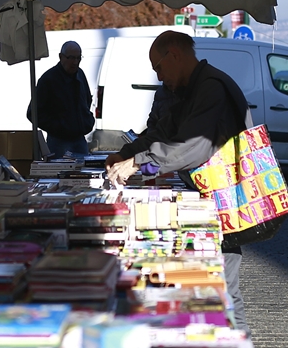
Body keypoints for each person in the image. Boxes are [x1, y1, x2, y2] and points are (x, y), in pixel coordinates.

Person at [105, 31, 253, 322]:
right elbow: (163, 130)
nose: (159, 78)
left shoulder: (211, 88)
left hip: (224, 206)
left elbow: (193, 147)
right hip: (210, 204)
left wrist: (138, 162)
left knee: (223, 291)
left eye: (158, 67)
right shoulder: (192, 88)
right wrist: (126, 154)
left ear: (173, 54)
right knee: (216, 291)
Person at [29, 41, 94, 157]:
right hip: (59, 142)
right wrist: (58, 128)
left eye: (78, 58)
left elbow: (87, 99)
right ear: (61, 57)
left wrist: (86, 119)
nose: (75, 62)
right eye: (71, 58)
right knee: (60, 173)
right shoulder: (48, 79)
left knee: (84, 172)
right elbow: (33, 113)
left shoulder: (80, 74)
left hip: (79, 138)